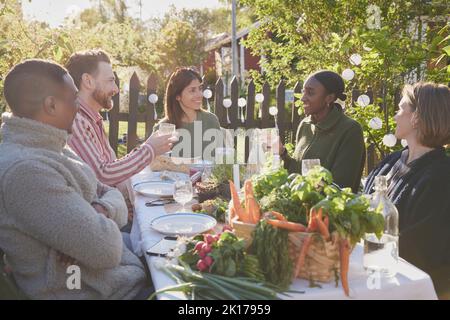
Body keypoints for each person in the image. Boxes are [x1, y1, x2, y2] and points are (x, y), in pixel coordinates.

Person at [0, 59, 150, 299]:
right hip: (100, 291)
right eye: (73, 99)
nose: (79, 107)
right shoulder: (26, 171)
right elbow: (106, 249)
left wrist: (100, 209)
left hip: (116, 274)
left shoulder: (53, 144)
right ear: (51, 105)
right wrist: (102, 213)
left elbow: (105, 189)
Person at [65, 50, 175, 222]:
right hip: (98, 222)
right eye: (110, 81)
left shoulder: (92, 119)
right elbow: (103, 175)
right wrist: (149, 150)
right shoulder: (77, 120)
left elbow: (111, 169)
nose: (116, 89)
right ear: (88, 81)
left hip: (113, 213)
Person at [364, 82, 450, 298]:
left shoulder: (441, 177)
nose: (394, 116)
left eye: (401, 108)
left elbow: (420, 247)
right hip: (375, 271)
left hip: (413, 286)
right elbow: (364, 204)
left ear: (417, 117)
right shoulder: (393, 160)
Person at [280, 70, 365, 192]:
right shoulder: (305, 125)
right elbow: (297, 171)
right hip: (300, 206)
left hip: (330, 209)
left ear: (329, 97)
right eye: (303, 92)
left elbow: (342, 185)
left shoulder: (350, 130)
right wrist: (283, 154)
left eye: (310, 93)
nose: (303, 98)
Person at [153, 67, 221, 160]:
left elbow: (222, 159)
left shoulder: (211, 120)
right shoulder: (164, 127)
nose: (200, 94)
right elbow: (156, 164)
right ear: (177, 96)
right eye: (192, 90)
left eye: (200, 89)